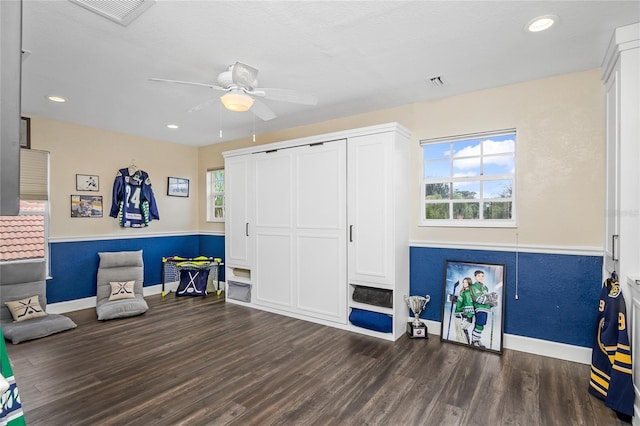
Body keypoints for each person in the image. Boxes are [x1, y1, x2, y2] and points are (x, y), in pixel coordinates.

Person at [469, 270, 492, 347]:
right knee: (479, 324)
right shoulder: (473, 286)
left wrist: (492, 303)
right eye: (479, 276)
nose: (481, 277)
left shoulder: (485, 287)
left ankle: (477, 340)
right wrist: (490, 300)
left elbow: (487, 298)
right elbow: (478, 298)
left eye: (482, 276)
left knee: (481, 325)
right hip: (479, 308)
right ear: (475, 277)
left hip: (485, 308)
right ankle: (474, 341)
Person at [453, 277, 474, 344]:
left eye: (466, 282)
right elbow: (461, 303)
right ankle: (461, 344)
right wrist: (455, 299)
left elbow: (469, 304)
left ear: (469, 283)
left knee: (462, 331)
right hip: (458, 314)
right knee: (459, 332)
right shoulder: (463, 292)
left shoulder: (468, 293)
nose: (464, 283)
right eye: (463, 282)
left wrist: (469, 316)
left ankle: (466, 345)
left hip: (463, 315)